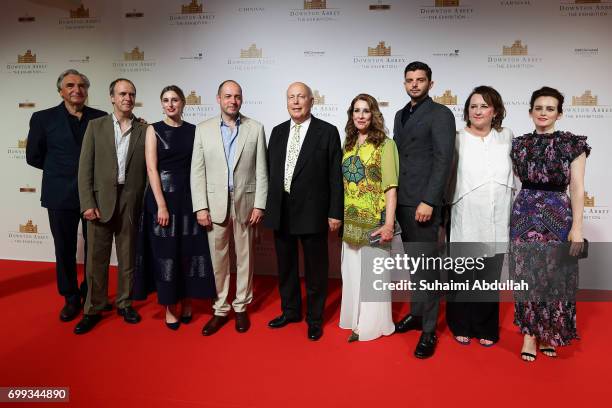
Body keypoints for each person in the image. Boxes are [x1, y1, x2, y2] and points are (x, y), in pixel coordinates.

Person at [509, 87, 589, 362]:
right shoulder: (519, 144)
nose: (543, 113)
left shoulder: (572, 145)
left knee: (554, 276)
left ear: (559, 113)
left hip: (558, 215)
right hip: (524, 214)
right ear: (531, 111)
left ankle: (549, 332)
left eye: (550, 108)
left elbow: (577, 188)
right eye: (539, 108)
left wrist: (577, 228)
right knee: (526, 275)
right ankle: (529, 334)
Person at [132, 85, 216, 330]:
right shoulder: (153, 130)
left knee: (187, 252)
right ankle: (170, 306)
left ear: (183, 104)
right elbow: (151, 169)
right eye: (166, 100)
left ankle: (187, 301)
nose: (170, 104)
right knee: (165, 254)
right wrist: (161, 205)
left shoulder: (194, 131)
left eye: (175, 100)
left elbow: (199, 167)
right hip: (162, 198)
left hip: (189, 198)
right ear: (161, 104)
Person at [26, 69, 107, 322]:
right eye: (70, 85)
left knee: (95, 249)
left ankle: (91, 295)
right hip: (59, 194)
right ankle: (70, 298)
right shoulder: (42, 118)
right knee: (64, 248)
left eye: (82, 85)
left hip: (93, 195)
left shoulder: (101, 117)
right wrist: (60, 170)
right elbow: (33, 156)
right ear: (60, 90)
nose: (77, 90)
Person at [265, 82, 343, 341]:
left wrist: (335, 212)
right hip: (281, 211)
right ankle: (290, 311)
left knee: (316, 270)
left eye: (301, 97)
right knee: (285, 267)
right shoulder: (276, 132)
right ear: (286, 101)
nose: (296, 102)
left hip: (313, 212)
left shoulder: (328, 132)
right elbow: (269, 173)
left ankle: (314, 318)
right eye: (291, 97)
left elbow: (335, 176)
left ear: (312, 101)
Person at [191, 80, 268, 335]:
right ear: (218, 99)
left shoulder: (255, 128)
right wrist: (200, 207)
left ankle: (241, 307)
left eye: (236, 96)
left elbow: (262, 171)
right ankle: (221, 308)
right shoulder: (202, 130)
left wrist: (260, 204)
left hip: (245, 203)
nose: (232, 101)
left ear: (241, 99)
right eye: (227, 96)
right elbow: (197, 172)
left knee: (246, 259)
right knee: (218, 260)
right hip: (214, 206)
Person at [74, 78, 148, 334]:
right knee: (96, 259)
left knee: (128, 257)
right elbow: (84, 170)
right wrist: (87, 203)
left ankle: (125, 303)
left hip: (130, 201)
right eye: (122, 93)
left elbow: (149, 171)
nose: (127, 98)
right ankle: (93, 308)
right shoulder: (96, 127)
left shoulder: (144, 129)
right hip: (99, 202)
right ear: (112, 97)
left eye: (131, 93)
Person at [392, 61, 456, 358]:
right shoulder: (399, 114)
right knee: (415, 266)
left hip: (423, 203)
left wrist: (430, 200)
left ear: (431, 83)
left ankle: (429, 330)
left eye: (420, 80)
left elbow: (444, 160)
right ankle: (417, 315)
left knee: (427, 268)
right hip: (403, 201)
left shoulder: (441, 114)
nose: (414, 84)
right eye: (409, 80)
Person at [445, 86, 514, 347]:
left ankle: (486, 326)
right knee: (462, 276)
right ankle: (460, 323)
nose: (477, 110)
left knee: (489, 277)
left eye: (484, 106)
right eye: (473, 106)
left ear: (495, 110)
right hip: (466, 213)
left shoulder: (506, 136)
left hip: (497, 215)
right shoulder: (457, 137)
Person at [339, 94, 398, 342]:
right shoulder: (349, 144)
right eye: (356, 111)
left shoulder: (386, 144)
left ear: (374, 114)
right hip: (351, 219)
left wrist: (388, 224)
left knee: (374, 276)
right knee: (352, 273)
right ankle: (355, 319)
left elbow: (391, 187)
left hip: (375, 219)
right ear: (351, 115)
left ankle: (371, 325)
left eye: (365, 111)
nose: (361, 115)